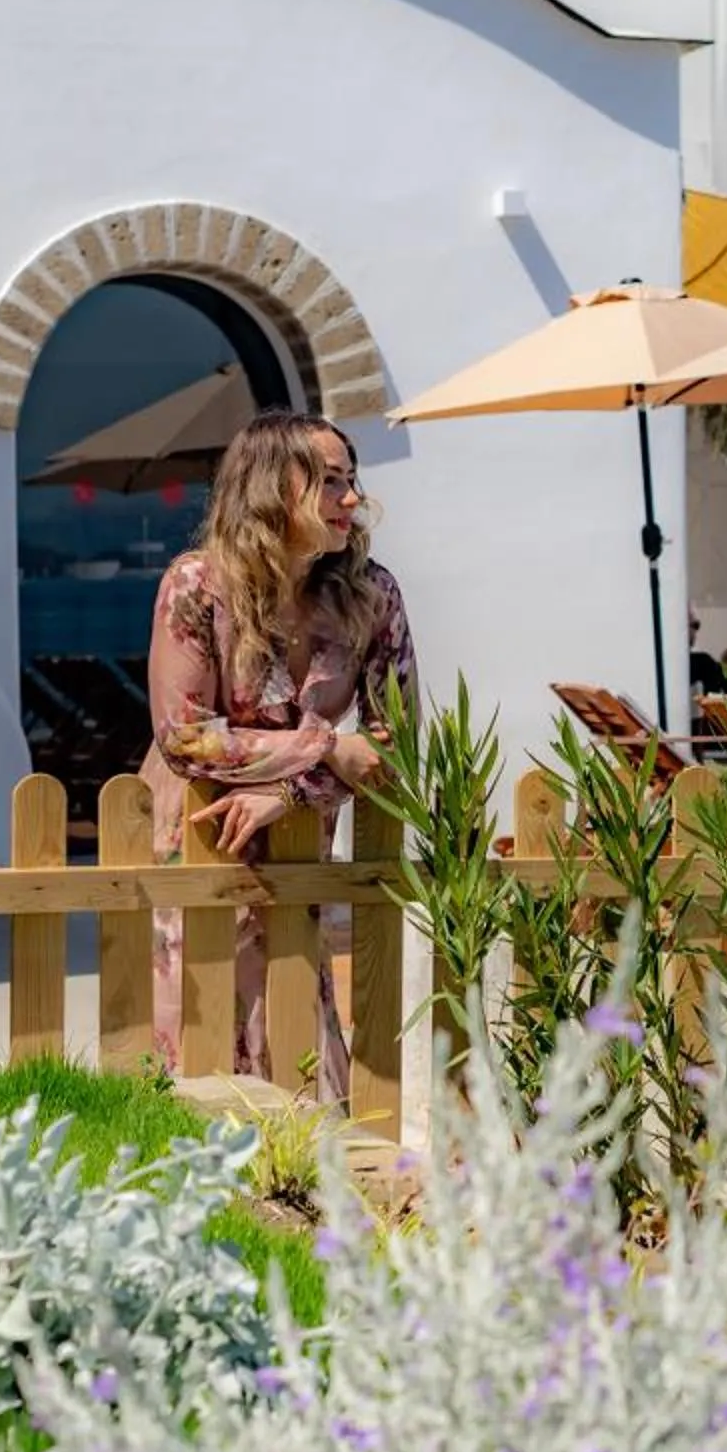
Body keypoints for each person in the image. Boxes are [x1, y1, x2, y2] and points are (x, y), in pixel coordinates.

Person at [142, 412, 415, 1102]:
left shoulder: (372, 595)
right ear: (270, 490)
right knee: (199, 1038)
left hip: (298, 847)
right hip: (203, 839)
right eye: (329, 482)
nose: (351, 498)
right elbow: (184, 736)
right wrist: (325, 746)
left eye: (352, 481)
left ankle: (311, 1196)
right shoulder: (198, 585)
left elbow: (395, 746)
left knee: (302, 1035)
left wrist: (293, 793)